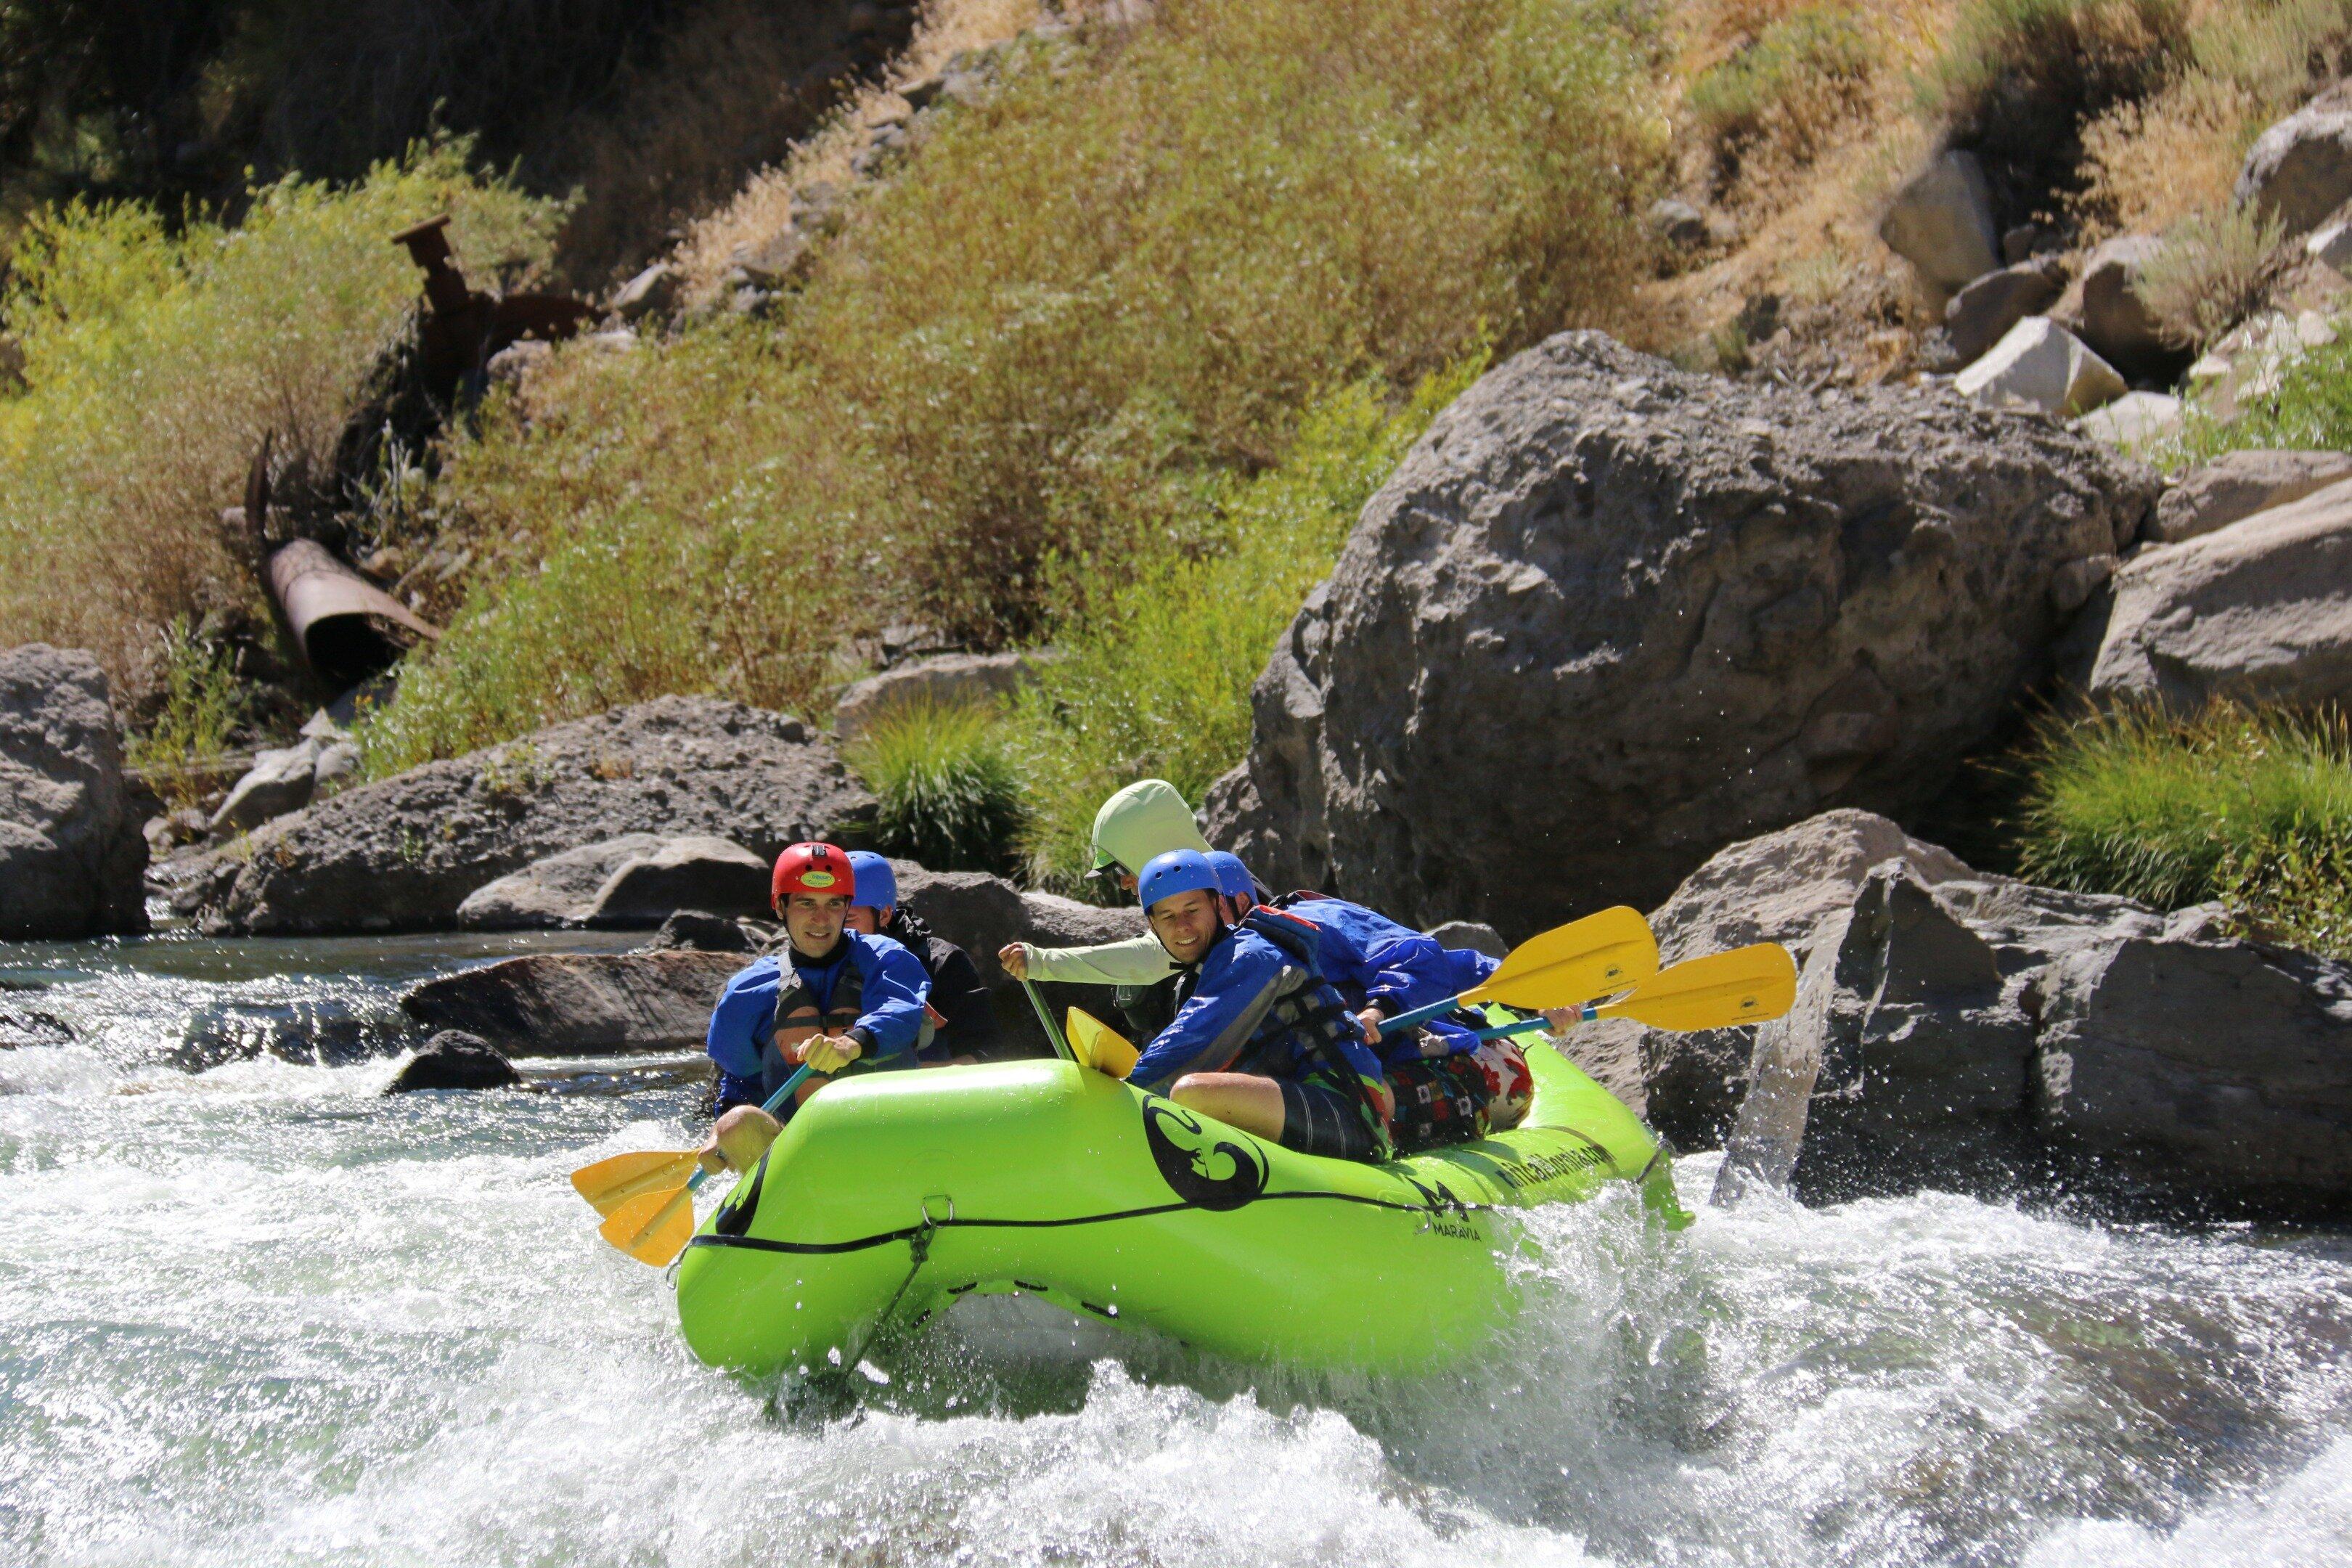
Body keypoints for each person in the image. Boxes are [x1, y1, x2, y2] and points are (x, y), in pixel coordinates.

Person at [1206, 850, 1535, 1148]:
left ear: (1237, 901)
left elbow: (1426, 959)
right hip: (1363, 1072)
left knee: (1353, 1096)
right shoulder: (1205, 975)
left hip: (1475, 1065)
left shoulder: (1312, 919)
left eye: (1197, 910)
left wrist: (1377, 1011)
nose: (1185, 927)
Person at [1119, 849, 1394, 1163]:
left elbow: (1194, 1036)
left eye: (1192, 910)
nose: (1182, 926)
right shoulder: (1196, 978)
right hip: (1297, 1101)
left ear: (1218, 905)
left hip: (1346, 1106)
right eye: (1168, 917)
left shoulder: (1250, 953)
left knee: (1190, 1092)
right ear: (1153, 926)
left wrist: (1123, 1092)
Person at [697, 843, 934, 1176]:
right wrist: (721, 1132)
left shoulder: (885, 957)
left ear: (847, 906)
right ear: (781, 907)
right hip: (800, 1159)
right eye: (807, 904)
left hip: (890, 1137)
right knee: (735, 1123)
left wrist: (852, 1043)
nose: (821, 919)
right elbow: (741, 1084)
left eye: (834, 904)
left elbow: (899, 1009)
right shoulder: (750, 991)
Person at [842, 850, 1001, 1063]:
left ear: (884, 915)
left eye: (849, 919)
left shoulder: (943, 963)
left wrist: (915, 1076)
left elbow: (985, 1050)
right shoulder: (816, 961)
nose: (837, 929)